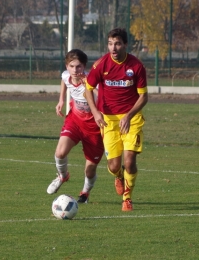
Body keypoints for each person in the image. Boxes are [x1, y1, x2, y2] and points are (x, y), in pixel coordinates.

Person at [84, 27, 148, 211]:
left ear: (125, 45)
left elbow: (144, 97)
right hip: (108, 121)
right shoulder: (101, 65)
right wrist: (96, 113)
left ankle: (127, 198)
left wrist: (128, 116)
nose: (113, 48)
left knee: (130, 161)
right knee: (113, 166)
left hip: (132, 119)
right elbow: (88, 89)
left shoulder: (136, 66)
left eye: (118, 43)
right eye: (111, 44)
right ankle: (118, 176)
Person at [47, 49, 104, 203]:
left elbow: (102, 95)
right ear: (67, 66)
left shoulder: (91, 80)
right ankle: (63, 176)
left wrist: (90, 86)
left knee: (90, 169)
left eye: (78, 66)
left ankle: (85, 193)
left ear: (84, 66)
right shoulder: (66, 76)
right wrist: (61, 100)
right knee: (60, 153)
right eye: (71, 66)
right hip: (75, 121)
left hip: (95, 127)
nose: (75, 70)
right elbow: (64, 81)